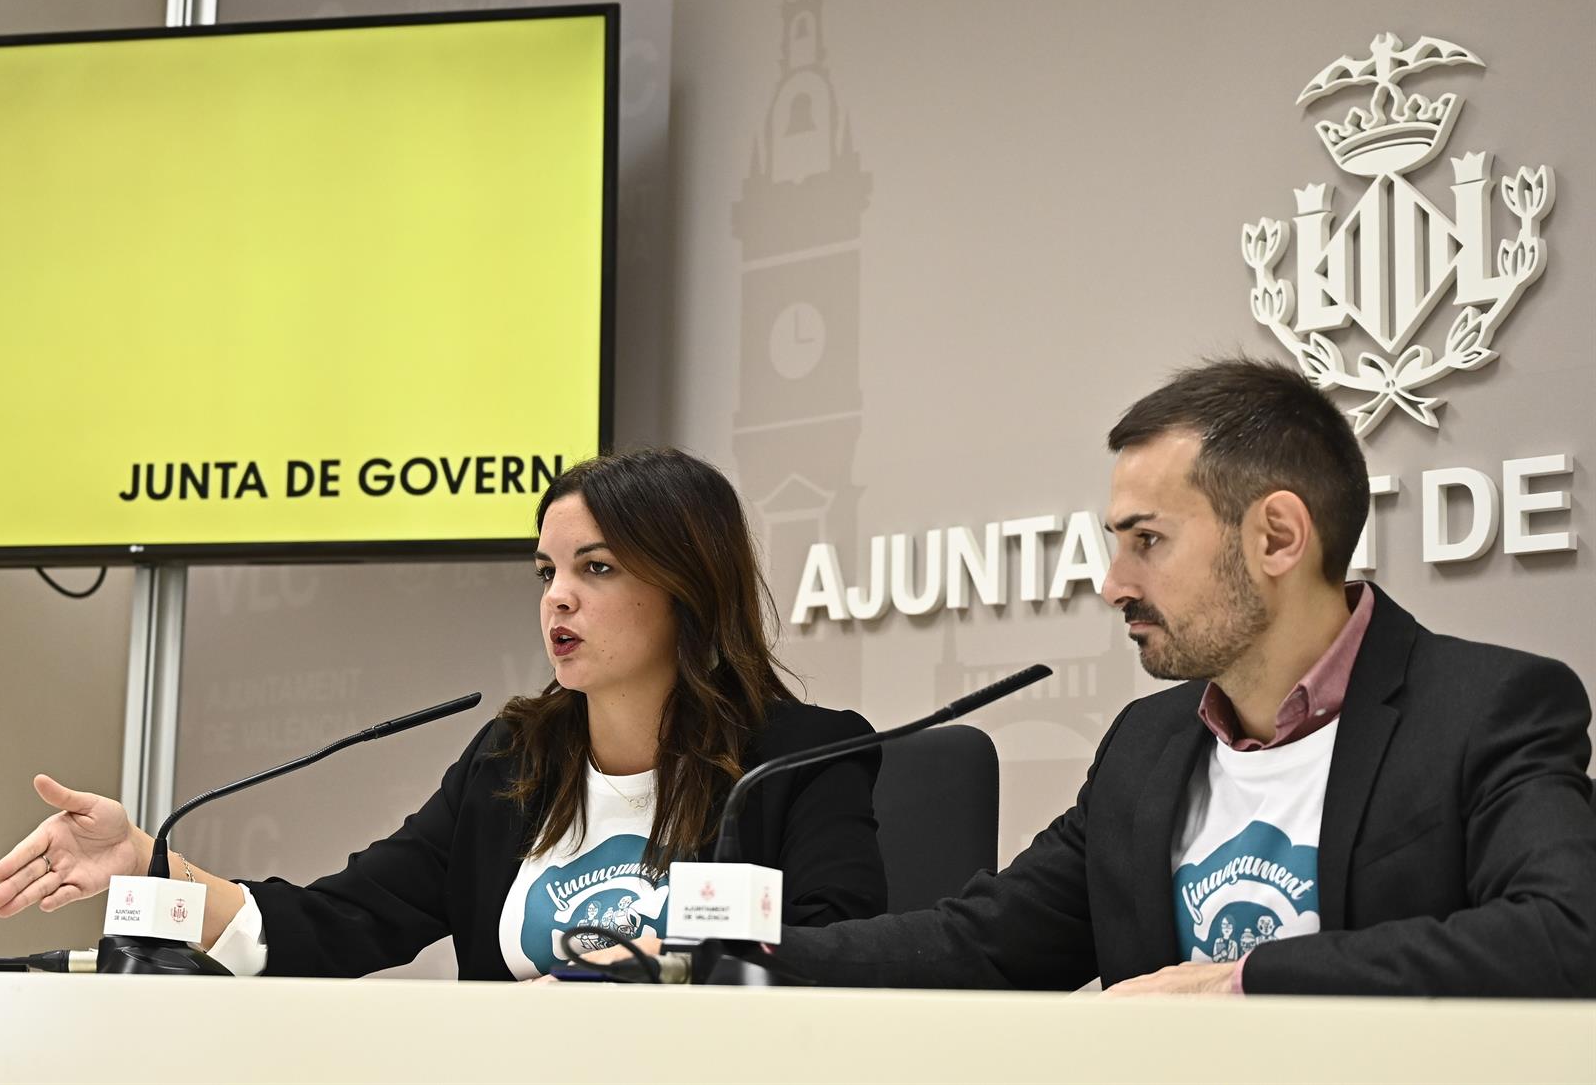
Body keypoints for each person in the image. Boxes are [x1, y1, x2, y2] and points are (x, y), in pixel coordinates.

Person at [634, 358, 1596, 996]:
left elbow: (1564, 934)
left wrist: (1244, 977)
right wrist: (724, 951)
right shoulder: (1149, 744)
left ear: (1277, 536)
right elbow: (985, 941)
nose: (1112, 582)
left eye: (1149, 541)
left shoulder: (1489, 709)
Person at [0, 447, 886, 979]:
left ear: (688, 584)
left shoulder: (796, 759)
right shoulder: (514, 759)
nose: (558, 600)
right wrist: (152, 863)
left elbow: (842, 954)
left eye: (596, 568)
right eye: (547, 572)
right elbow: (341, 920)